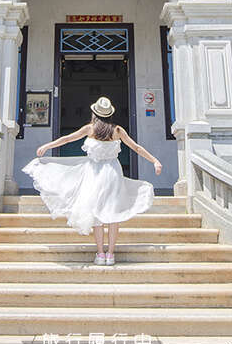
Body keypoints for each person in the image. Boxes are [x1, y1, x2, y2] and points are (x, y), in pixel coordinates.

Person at [22, 96, 162, 265]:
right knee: (113, 213)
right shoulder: (117, 130)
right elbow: (136, 147)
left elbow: (67, 139)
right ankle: (110, 254)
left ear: (95, 113)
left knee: (96, 213)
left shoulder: (90, 129)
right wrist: (154, 160)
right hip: (112, 173)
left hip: (94, 173)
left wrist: (47, 146)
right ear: (110, 114)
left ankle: (100, 253)